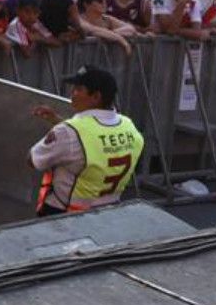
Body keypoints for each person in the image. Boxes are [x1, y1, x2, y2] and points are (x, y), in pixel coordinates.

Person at [28, 65, 144, 216]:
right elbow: (91, 141)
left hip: (65, 215)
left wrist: (59, 130)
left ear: (96, 96)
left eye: (78, 89)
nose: (72, 94)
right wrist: (58, 121)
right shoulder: (129, 126)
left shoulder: (68, 131)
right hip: (110, 214)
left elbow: (32, 160)